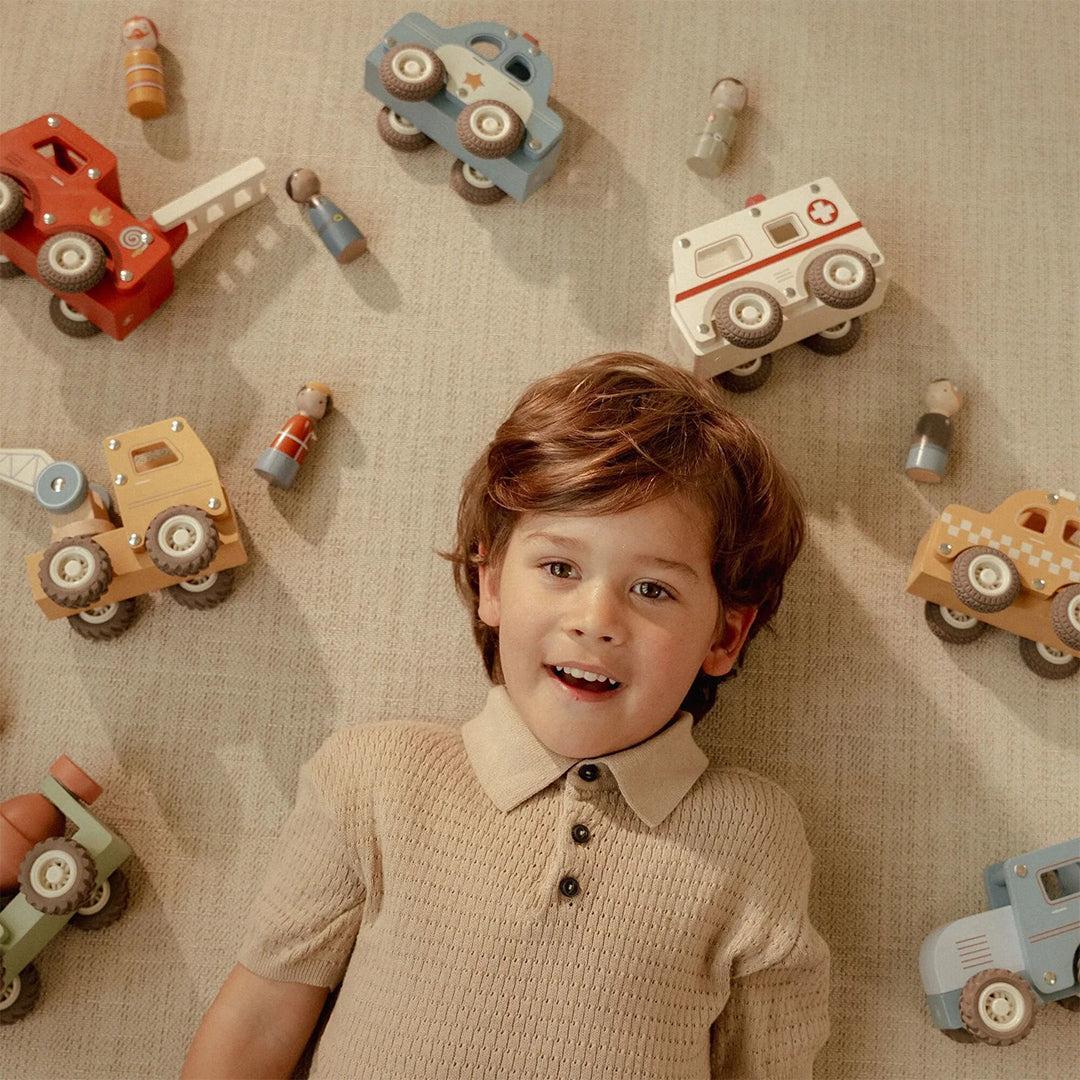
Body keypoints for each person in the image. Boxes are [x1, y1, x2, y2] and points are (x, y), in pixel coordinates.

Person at [183, 352, 830, 1079]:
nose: (596, 620)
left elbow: (770, 1064)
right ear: (489, 581)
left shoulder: (752, 833)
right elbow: (259, 1018)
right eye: (560, 569)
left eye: (653, 589)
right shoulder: (375, 779)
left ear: (724, 636)